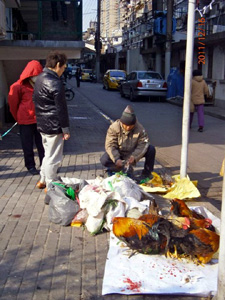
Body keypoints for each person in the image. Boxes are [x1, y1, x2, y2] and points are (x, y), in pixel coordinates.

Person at [33, 51, 70, 189]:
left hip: (42, 124)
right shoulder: (56, 82)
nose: (63, 70)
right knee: (54, 157)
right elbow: (61, 108)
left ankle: (42, 180)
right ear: (58, 65)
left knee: (47, 154)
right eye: (64, 67)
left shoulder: (39, 78)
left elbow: (34, 100)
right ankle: (50, 185)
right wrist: (65, 129)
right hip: (54, 125)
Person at [8, 60, 44, 175]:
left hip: (39, 119)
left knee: (42, 144)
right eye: (35, 75)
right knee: (27, 144)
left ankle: (44, 164)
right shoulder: (18, 86)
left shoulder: (41, 85)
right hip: (25, 120)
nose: (36, 77)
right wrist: (18, 118)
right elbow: (13, 105)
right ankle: (30, 166)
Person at [100, 105, 156, 180]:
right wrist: (116, 159)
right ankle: (119, 168)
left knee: (151, 149)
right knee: (104, 160)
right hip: (119, 153)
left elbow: (144, 144)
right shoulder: (113, 127)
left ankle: (147, 173)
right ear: (121, 122)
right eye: (125, 125)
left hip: (131, 153)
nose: (128, 128)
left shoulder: (140, 129)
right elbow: (110, 145)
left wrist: (134, 156)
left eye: (131, 126)